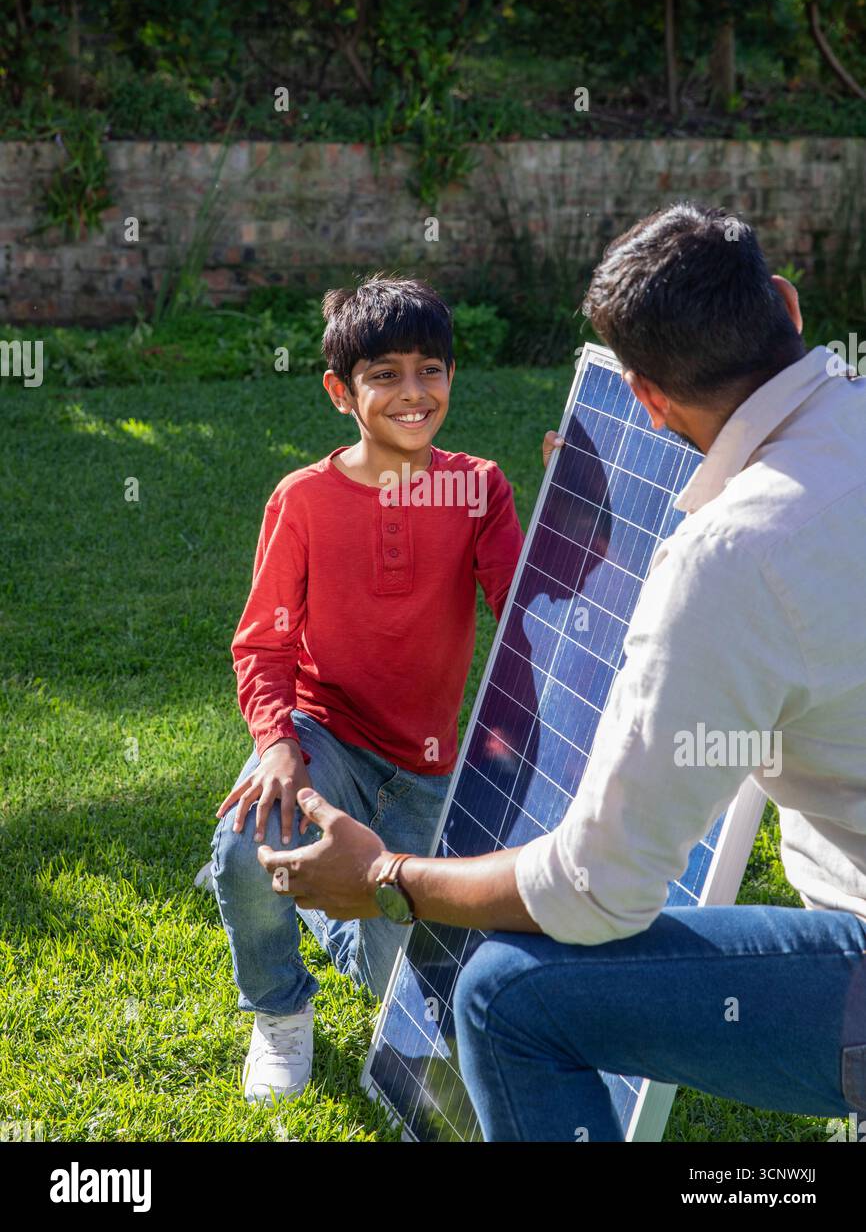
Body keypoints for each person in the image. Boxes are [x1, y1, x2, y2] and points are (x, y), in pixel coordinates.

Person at [258, 204, 866, 1141]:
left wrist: (387, 874)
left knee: (506, 992)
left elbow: (596, 890)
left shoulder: (730, 563)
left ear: (646, 400)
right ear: (784, 304)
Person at [210, 276, 544, 1105]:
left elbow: (524, 610)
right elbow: (264, 641)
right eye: (385, 374)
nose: (413, 393)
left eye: (430, 370)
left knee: (396, 963)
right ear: (340, 391)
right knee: (244, 845)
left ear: (453, 378)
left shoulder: (479, 488)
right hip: (324, 733)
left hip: (430, 766)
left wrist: (579, 525)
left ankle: (326, 905)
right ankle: (281, 1011)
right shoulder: (304, 500)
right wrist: (277, 743)